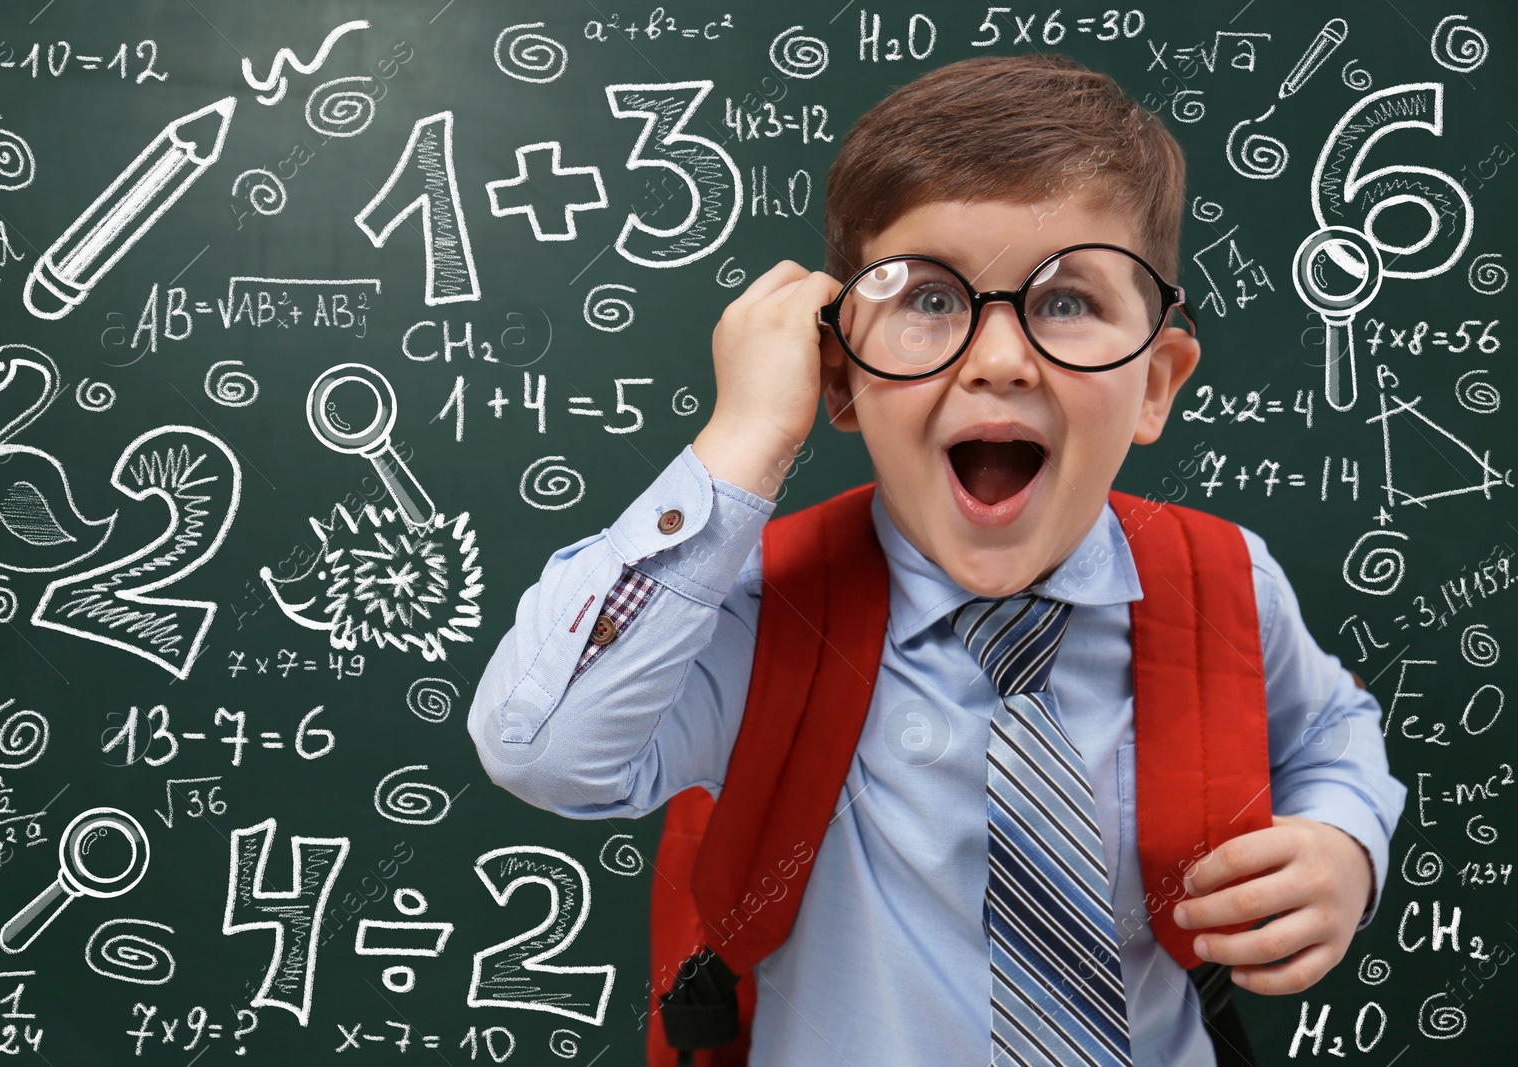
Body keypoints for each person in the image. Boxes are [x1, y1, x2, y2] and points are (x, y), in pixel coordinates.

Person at [468, 54, 1405, 1065]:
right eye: (926, 297)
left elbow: (1328, 725)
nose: (999, 357)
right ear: (839, 374)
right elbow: (542, 751)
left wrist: (1342, 840)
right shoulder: (756, 611)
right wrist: (741, 441)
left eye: (1066, 301)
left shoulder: (1223, 579)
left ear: (1154, 384)